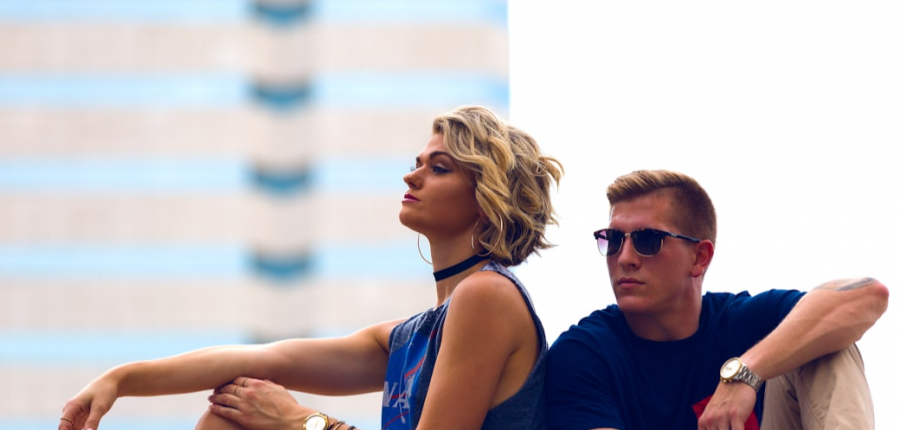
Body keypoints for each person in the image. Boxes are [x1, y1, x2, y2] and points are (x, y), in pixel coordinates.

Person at [59, 106, 563, 430]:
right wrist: (120, 380)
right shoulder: (415, 334)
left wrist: (301, 422)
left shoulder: (488, 296)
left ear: (487, 199)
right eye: (418, 162)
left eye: (439, 168)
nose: (412, 176)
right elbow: (266, 358)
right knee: (233, 410)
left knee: (250, 413)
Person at [545, 169, 889, 430]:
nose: (624, 258)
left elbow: (869, 294)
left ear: (699, 258)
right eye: (613, 239)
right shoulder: (584, 354)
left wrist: (745, 373)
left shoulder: (741, 320)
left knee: (826, 341)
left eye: (647, 240)